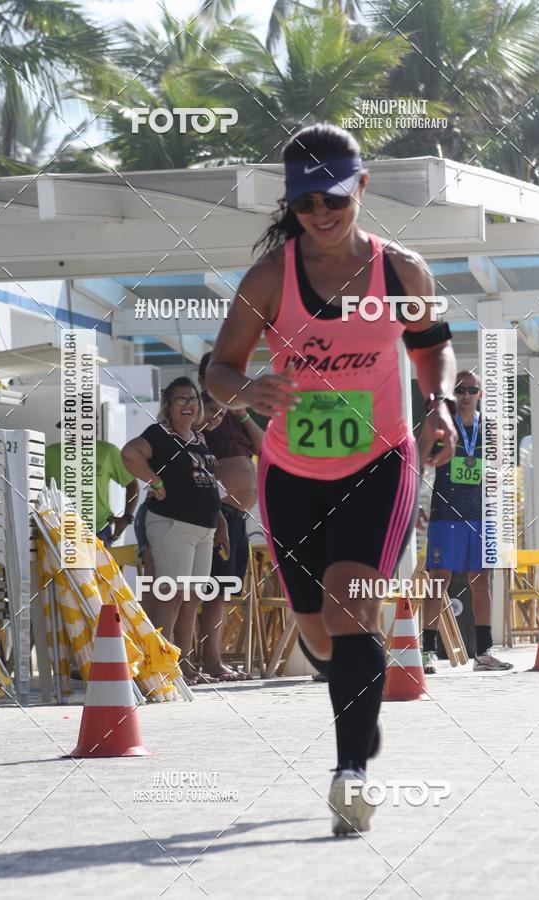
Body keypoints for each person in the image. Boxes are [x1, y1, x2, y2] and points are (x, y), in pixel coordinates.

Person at [205, 122, 458, 835]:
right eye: (306, 201)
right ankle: (350, 682)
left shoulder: (401, 270)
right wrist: (243, 390)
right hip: (290, 470)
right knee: (320, 633)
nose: (321, 212)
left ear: (362, 188)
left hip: (382, 462)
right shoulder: (269, 279)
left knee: (354, 608)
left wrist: (436, 402)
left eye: (334, 197)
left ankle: (352, 775)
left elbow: (431, 347)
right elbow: (217, 370)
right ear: (292, 204)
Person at [121, 377, 229, 685]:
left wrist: (220, 521)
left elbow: (206, 479)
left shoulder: (197, 437)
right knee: (171, 595)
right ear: (168, 404)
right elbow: (130, 453)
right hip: (172, 525)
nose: (188, 405)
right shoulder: (159, 433)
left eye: (192, 399)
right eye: (180, 399)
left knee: (192, 597)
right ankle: (162, 664)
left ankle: (181, 660)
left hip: (204, 529)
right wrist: (155, 482)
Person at [418, 369, 514, 674]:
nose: (466, 395)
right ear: (453, 393)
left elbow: (500, 467)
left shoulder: (490, 428)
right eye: (460, 390)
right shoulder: (440, 425)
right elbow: (418, 464)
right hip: (445, 514)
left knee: (481, 581)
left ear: (480, 394)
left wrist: (495, 478)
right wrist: (411, 503)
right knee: (438, 580)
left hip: (478, 514)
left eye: (472, 390)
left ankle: (483, 652)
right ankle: (428, 651)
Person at [198, 379, 264, 680]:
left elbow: (265, 449)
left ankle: (214, 659)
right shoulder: (200, 417)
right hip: (216, 513)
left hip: (237, 516)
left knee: (222, 591)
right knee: (204, 590)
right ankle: (206, 661)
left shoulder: (235, 418)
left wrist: (244, 414)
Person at [45, 421, 138, 546]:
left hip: (99, 532)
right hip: (60, 533)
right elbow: (35, 493)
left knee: (101, 567)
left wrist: (127, 517)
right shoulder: (49, 454)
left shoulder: (108, 451)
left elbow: (132, 485)